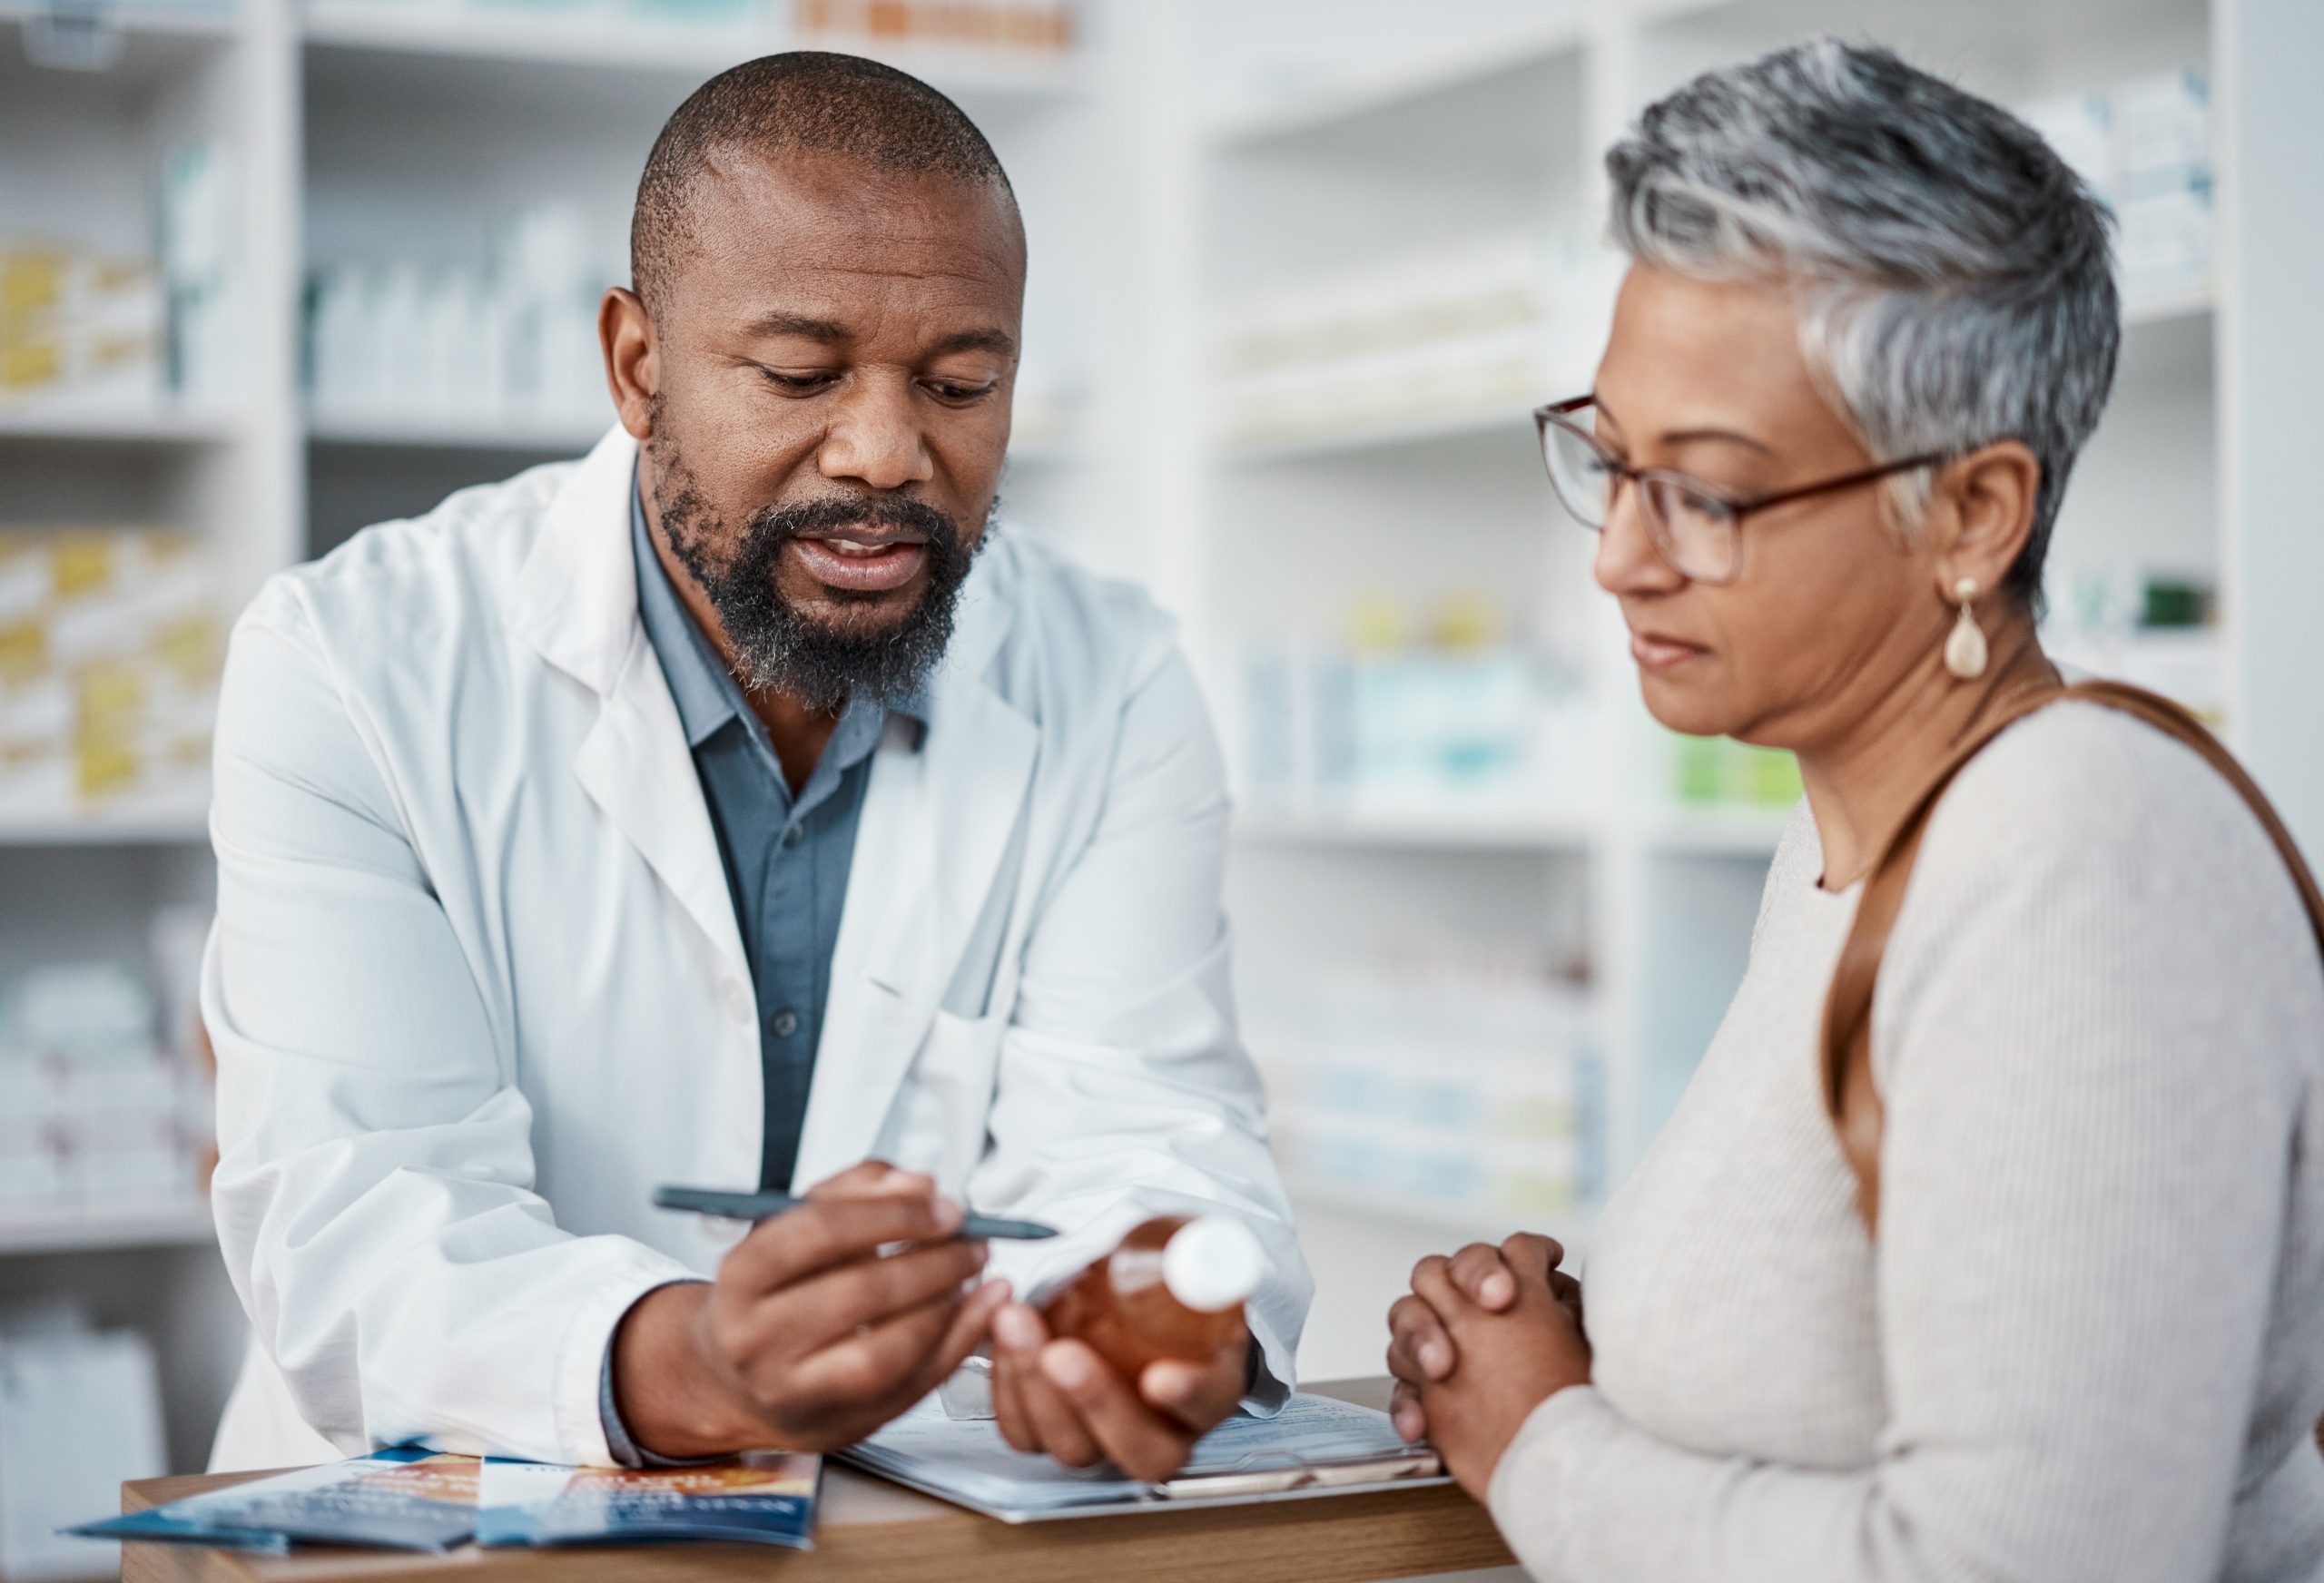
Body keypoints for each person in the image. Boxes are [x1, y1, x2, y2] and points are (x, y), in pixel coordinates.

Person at [202, 52, 1309, 1478]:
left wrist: (1150, 1303)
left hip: (904, 1536)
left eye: (962, 383)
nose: (885, 452)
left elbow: (1148, 1122)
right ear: (637, 366)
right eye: (801, 374)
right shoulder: (351, 664)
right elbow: (353, 1224)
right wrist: (696, 1365)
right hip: (440, 1526)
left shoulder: (1114, 678)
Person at [1384, 40, 2324, 1583]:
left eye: (1708, 490)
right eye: (1613, 461)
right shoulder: (1846, 846)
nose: (1621, 554)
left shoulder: (2081, 855)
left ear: (1971, 514)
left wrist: (1547, 1442)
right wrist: (1563, 1337)